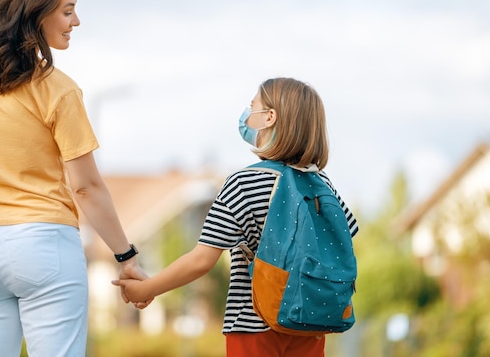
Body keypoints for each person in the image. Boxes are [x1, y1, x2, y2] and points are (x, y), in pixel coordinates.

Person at [0, 0, 148, 357]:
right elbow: (85, 187)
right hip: (43, 245)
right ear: (36, 14)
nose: (77, 21)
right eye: (68, 11)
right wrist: (126, 256)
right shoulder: (59, 90)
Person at [113, 77, 359, 357]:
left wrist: (146, 289)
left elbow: (201, 260)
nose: (246, 113)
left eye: (252, 105)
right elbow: (344, 237)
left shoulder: (244, 182)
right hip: (310, 323)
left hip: (254, 324)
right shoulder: (322, 185)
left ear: (269, 117)